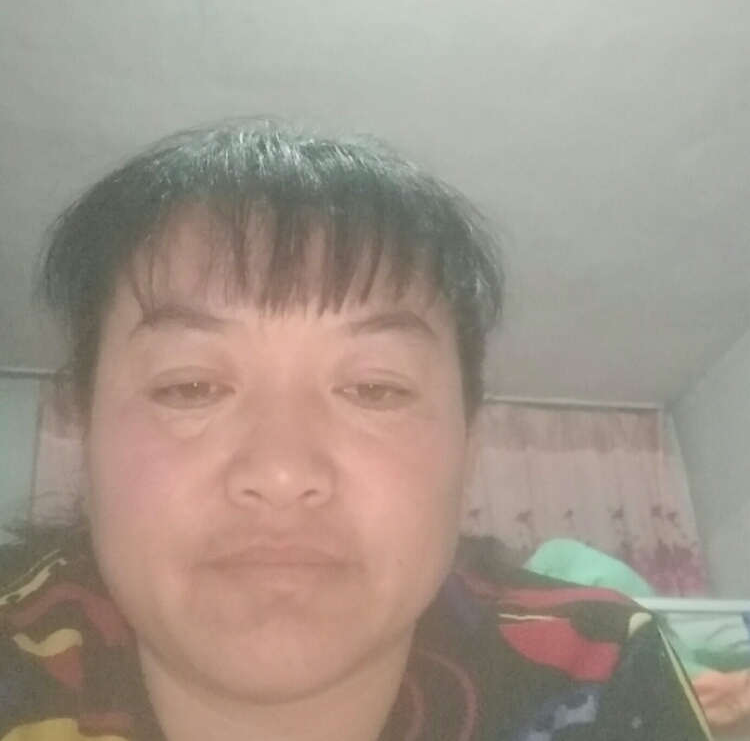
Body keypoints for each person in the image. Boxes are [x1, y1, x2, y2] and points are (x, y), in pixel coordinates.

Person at [0, 123, 711, 741]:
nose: (282, 473)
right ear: (84, 432)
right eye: (189, 387)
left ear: (468, 450)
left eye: (376, 389)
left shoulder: (596, 668)